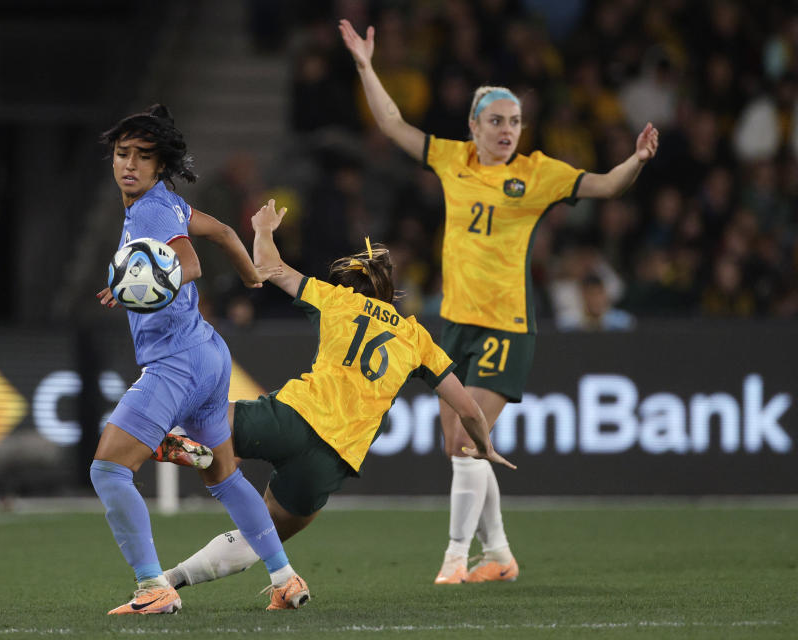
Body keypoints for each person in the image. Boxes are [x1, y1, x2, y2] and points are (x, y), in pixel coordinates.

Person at [339, 19, 660, 585]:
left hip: (507, 328)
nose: (507, 130)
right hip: (454, 325)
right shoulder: (450, 159)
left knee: (467, 442)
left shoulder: (538, 175)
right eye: (496, 121)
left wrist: (635, 161)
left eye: (514, 121)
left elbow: (607, 186)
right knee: (457, 446)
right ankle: (501, 554)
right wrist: (367, 65)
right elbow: (391, 124)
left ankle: (455, 559)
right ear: (474, 127)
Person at [158, 199, 515, 592]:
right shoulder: (417, 338)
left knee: (206, 421)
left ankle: (184, 446)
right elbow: (467, 408)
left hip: (292, 416)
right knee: (262, 536)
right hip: (333, 458)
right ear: (390, 291)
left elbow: (269, 267)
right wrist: (485, 446)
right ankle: (173, 580)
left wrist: (263, 229)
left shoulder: (337, 301)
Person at [91, 104, 309, 614]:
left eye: (143, 158)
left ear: (160, 166)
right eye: (123, 154)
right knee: (225, 478)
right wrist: (254, 278)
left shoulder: (148, 209)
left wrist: (146, 283)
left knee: (108, 470)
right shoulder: (168, 202)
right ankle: (284, 578)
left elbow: (189, 262)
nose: (130, 165)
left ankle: (153, 587)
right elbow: (229, 236)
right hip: (210, 356)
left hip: (177, 365)